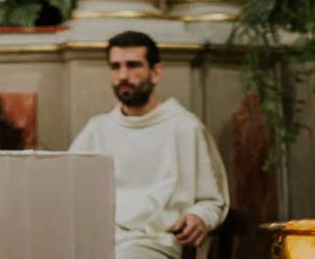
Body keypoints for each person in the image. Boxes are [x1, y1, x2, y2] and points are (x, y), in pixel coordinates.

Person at [69, 31, 229, 259]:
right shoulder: (97, 129)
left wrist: (199, 216)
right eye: (116, 67)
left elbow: (211, 200)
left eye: (133, 65)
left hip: (152, 242)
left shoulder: (185, 128)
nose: (123, 75)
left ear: (156, 72)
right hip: (96, 238)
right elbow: (68, 190)